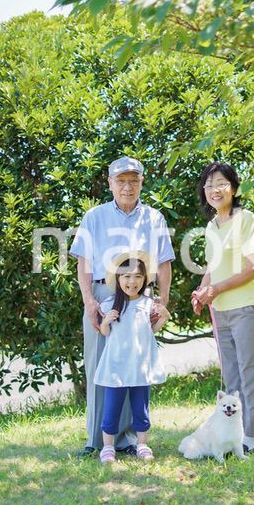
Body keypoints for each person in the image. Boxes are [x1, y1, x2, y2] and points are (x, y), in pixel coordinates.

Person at [69, 156, 175, 457]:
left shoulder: (155, 218)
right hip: (104, 296)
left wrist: (162, 301)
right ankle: (97, 441)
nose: (127, 187)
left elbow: (165, 263)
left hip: (140, 298)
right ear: (110, 183)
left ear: (142, 182)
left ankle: (130, 440)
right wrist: (89, 301)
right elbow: (84, 264)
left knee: (135, 366)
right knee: (100, 368)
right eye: (121, 181)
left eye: (134, 180)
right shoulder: (94, 216)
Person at [191, 162, 254, 454]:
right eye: (209, 185)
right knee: (231, 375)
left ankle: (252, 435)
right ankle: (233, 433)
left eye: (221, 183)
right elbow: (213, 267)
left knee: (250, 372)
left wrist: (217, 289)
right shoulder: (212, 225)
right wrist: (202, 292)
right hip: (220, 310)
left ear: (234, 188)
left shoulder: (245, 219)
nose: (214, 190)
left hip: (246, 306)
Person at [96, 252, 168, 464]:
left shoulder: (147, 304)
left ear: (144, 279)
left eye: (137, 276)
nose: (132, 281)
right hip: (116, 365)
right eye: (126, 276)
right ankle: (108, 447)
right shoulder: (110, 304)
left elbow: (150, 331)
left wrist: (164, 316)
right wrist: (105, 321)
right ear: (118, 279)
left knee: (141, 407)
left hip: (140, 365)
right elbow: (104, 333)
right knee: (112, 408)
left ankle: (142, 444)